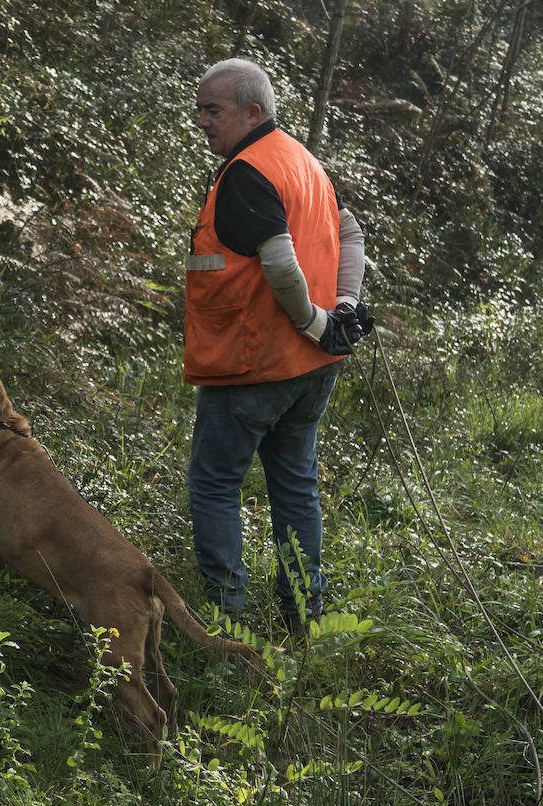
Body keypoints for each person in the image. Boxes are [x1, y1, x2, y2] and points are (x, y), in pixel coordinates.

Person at [184, 58, 371, 634]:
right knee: (295, 486)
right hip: (312, 367)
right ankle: (304, 617)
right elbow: (353, 233)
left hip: (256, 363)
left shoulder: (247, 171)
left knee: (215, 483)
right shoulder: (304, 160)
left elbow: (280, 259)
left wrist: (317, 320)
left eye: (212, 111)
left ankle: (225, 623)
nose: (202, 122)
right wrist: (342, 310)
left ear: (252, 112)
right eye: (199, 110)